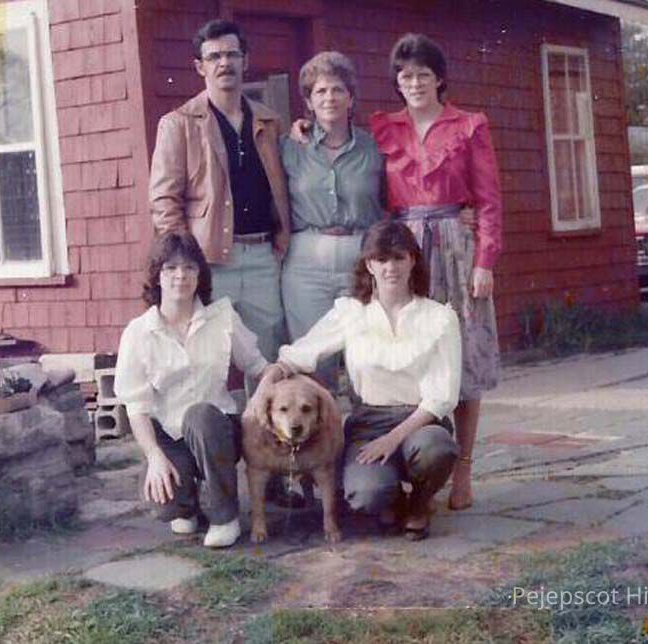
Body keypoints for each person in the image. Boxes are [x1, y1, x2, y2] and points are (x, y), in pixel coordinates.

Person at [251, 220, 461, 540]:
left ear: (413, 260)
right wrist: (268, 380)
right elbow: (300, 353)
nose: (390, 268)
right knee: (365, 495)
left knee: (436, 448)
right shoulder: (352, 312)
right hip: (369, 422)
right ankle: (392, 499)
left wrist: (392, 440)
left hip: (421, 421)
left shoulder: (438, 317)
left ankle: (420, 504)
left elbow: (442, 398)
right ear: (369, 264)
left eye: (399, 257)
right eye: (381, 259)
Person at [368, 33, 503, 511]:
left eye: (424, 74)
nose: (415, 83)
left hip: (456, 249)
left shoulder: (468, 125)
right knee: (412, 357)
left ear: (440, 78)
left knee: (462, 359)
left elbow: (488, 200)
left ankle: (463, 470)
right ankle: (419, 469)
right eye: (406, 75)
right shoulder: (384, 129)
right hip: (406, 251)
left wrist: (484, 261)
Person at [115, 232, 271, 548]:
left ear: (200, 275)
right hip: (169, 434)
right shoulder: (139, 332)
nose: (180, 276)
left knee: (200, 415)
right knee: (165, 505)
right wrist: (154, 457)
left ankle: (225, 517)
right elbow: (137, 408)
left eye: (189, 267)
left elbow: (259, 366)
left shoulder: (222, 317)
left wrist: (262, 396)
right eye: (170, 268)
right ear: (157, 275)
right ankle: (187, 505)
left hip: (217, 430)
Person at [150, 19, 290, 365]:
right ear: (200, 66)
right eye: (214, 57)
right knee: (205, 356)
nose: (224, 63)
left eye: (232, 55)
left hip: (262, 256)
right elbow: (164, 200)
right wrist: (185, 259)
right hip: (209, 259)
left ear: (245, 61)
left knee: (266, 356)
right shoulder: (179, 123)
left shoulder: (270, 122)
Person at [280, 51, 385, 388]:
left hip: (361, 257)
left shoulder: (373, 148)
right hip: (306, 264)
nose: (329, 97)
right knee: (313, 358)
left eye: (338, 89)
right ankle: (319, 424)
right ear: (308, 102)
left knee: (365, 357)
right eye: (320, 91)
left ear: (351, 98)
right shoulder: (289, 148)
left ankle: (369, 422)